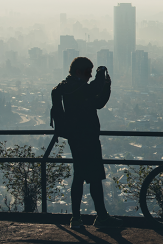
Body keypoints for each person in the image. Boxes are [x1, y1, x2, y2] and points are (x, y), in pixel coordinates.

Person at [52, 57, 122, 229]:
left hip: (75, 139)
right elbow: (96, 95)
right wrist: (102, 78)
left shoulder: (65, 87)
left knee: (79, 177)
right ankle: (101, 217)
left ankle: (77, 218)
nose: (90, 76)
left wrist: (105, 85)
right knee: (95, 177)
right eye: (88, 73)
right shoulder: (78, 88)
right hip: (87, 137)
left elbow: (97, 102)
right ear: (78, 72)